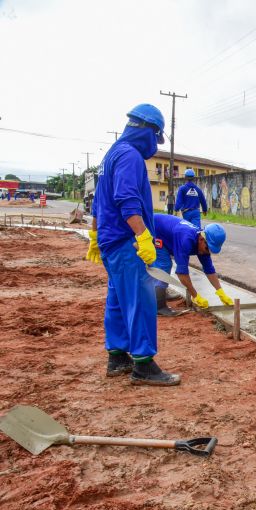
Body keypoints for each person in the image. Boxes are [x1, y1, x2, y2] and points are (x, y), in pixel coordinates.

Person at [85, 103, 180, 386]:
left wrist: (94, 236)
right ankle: (143, 364)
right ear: (148, 130)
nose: (156, 145)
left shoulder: (111, 155)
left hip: (110, 242)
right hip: (127, 242)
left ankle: (117, 357)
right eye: (156, 138)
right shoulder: (130, 156)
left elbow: (98, 204)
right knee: (141, 300)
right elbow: (128, 202)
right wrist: (143, 237)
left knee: (116, 300)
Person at [152, 213, 232, 316]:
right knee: (165, 264)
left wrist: (220, 292)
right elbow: (181, 274)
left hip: (167, 233)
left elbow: (209, 269)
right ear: (201, 239)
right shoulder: (186, 240)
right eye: (208, 249)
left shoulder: (203, 244)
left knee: (163, 263)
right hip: (154, 230)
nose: (207, 252)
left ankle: (161, 292)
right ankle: (159, 306)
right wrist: (195, 296)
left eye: (211, 250)